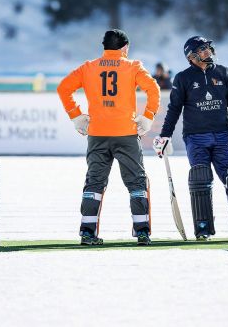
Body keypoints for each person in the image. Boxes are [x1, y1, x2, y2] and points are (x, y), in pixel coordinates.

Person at [57, 29, 160, 246]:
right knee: (137, 183)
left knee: (94, 183)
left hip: (98, 134)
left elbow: (63, 88)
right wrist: (148, 116)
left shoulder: (88, 67)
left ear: (104, 48)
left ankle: (87, 232)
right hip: (126, 133)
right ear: (124, 47)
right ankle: (142, 232)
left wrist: (76, 116)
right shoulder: (133, 67)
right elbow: (153, 89)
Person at [153, 36, 228, 241]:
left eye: (208, 48)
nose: (208, 52)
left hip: (223, 135)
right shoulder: (183, 78)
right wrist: (165, 135)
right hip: (196, 138)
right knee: (201, 180)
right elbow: (174, 109)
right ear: (191, 56)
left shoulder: (224, 72)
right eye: (203, 49)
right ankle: (203, 229)